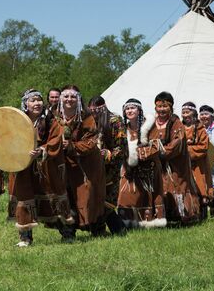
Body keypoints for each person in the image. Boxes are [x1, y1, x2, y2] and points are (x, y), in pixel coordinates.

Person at [10, 89, 74, 246]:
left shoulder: (51, 121)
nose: (37, 103)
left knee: (53, 199)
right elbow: (8, 140)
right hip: (23, 167)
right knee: (24, 199)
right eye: (32, 100)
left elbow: (56, 139)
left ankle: (67, 234)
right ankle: (25, 237)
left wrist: (41, 150)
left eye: (39, 100)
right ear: (25, 104)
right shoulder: (17, 122)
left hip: (45, 168)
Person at [136, 92, 200, 225]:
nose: (161, 109)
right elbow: (143, 140)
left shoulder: (176, 123)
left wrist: (160, 151)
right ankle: (159, 216)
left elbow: (177, 143)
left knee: (175, 186)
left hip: (174, 165)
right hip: (156, 164)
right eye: (158, 106)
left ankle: (181, 216)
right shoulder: (150, 123)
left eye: (164, 106)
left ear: (170, 107)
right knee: (158, 188)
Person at [54, 85, 106, 240]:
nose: (69, 99)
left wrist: (71, 146)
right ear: (61, 98)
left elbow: (91, 141)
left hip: (87, 165)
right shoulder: (54, 116)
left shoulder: (87, 117)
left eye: (72, 96)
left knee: (88, 196)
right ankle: (68, 234)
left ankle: (97, 229)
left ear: (78, 99)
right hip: (63, 165)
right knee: (64, 197)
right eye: (66, 96)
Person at [116, 98, 166, 228]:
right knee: (126, 194)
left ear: (139, 110)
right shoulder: (123, 129)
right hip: (129, 168)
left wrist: (138, 153)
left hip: (148, 167)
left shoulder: (149, 126)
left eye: (132, 108)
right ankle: (127, 223)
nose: (129, 111)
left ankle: (148, 222)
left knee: (146, 196)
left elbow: (156, 146)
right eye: (127, 108)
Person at [89, 96, 128, 235]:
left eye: (96, 110)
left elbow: (122, 147)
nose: (94, 114)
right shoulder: (90, 122)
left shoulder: (115, 121)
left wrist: (107, 155)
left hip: (110, 168)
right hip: (94, 168)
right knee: (95, 200)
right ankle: (98, 231)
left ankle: (119, 230)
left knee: (107, 202)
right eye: (91, 111)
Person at [181, 102, 212, 220]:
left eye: (187, 112)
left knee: (200, 186)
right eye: (183, 113)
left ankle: (202, 215)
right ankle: (188, 214)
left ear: (193, 113)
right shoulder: (179, 127)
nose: (185, 115)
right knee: (185, 187)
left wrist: (188, 150)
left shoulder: (200, 129)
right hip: (183, 164)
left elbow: (204, 146)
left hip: (198, 164)